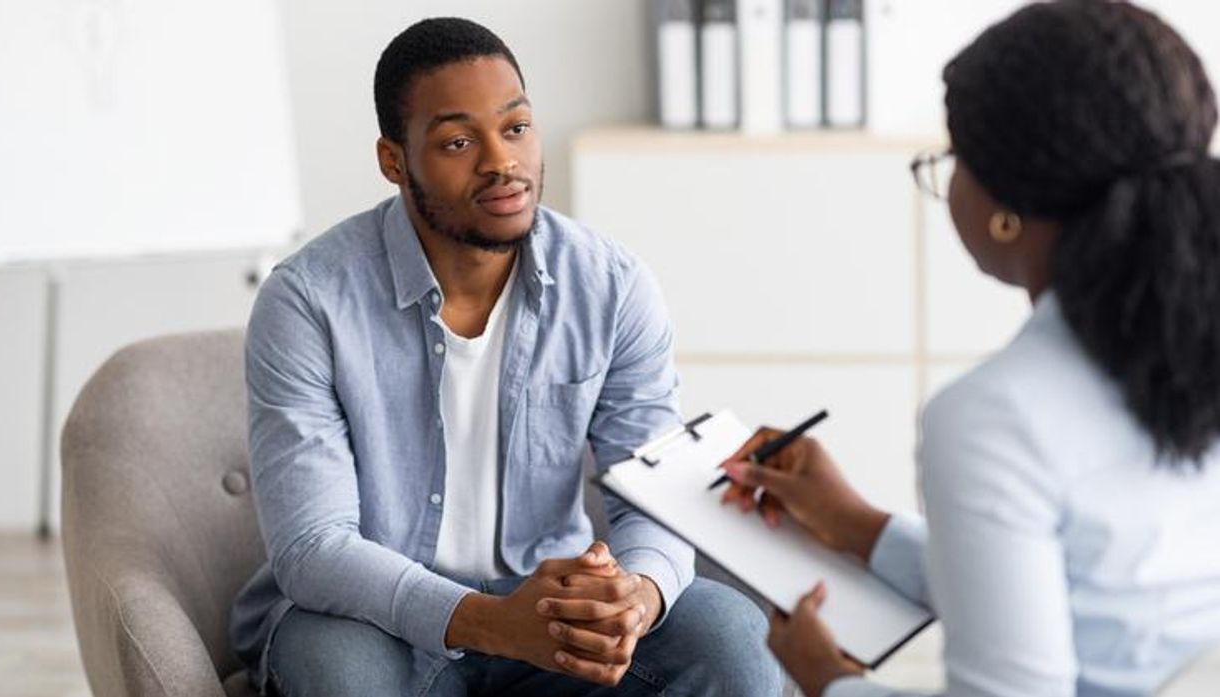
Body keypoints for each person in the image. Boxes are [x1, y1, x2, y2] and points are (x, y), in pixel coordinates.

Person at [227, 16, 780, 697]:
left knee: (729, 639)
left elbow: (655, 497)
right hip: (378, 618)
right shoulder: (307, 300)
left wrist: (635, 594)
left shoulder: (611, 285)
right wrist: (488, 621)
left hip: (549, 603)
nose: (500, 161)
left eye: (515, 127)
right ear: (394, 160)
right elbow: (314, 548)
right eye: (458, 140)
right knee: (340, 673)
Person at [720, 1, 1220, 695]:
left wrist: (826, 679)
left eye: (953, 157)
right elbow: (1088, 602)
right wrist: (854, 523)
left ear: (1005, 210)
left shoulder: (994, 417)